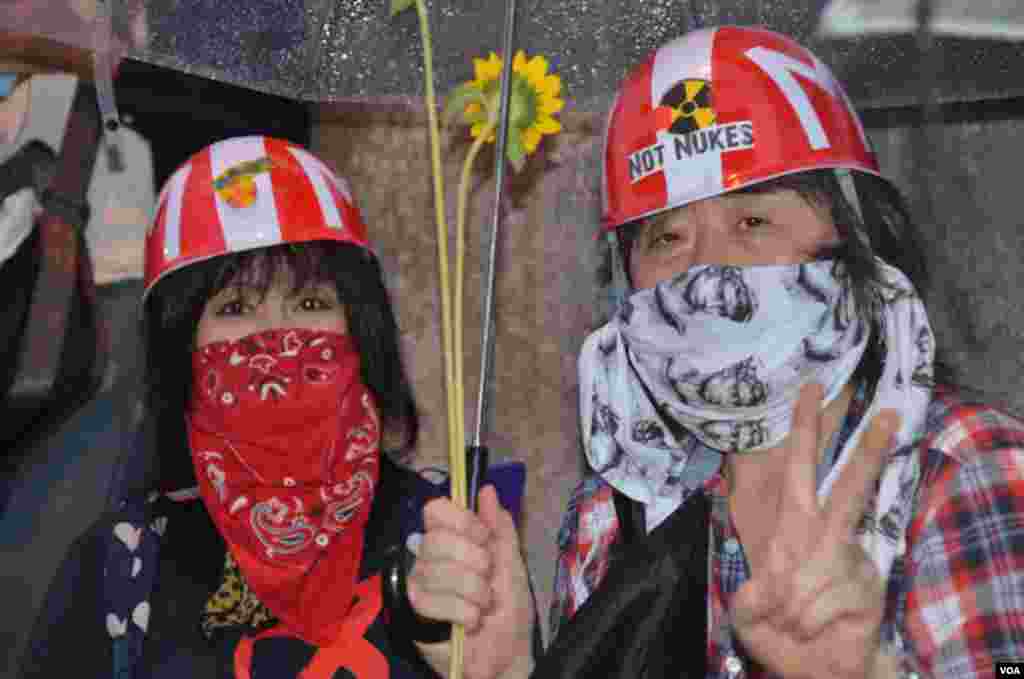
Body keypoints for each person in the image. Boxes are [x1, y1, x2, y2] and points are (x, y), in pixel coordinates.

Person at [405, 25, 1024, 679]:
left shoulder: (962, 471)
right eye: (667, 238)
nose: (706, 273)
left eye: (752, 221)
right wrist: (508, 672)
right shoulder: (617, 514)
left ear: (860, 240)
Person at [19, 135, 453, 678]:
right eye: (235, 307)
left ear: (363, 330)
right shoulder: (119, 570)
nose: (276, 336)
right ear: (183, 348)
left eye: (310, 302)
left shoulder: (447, 539)